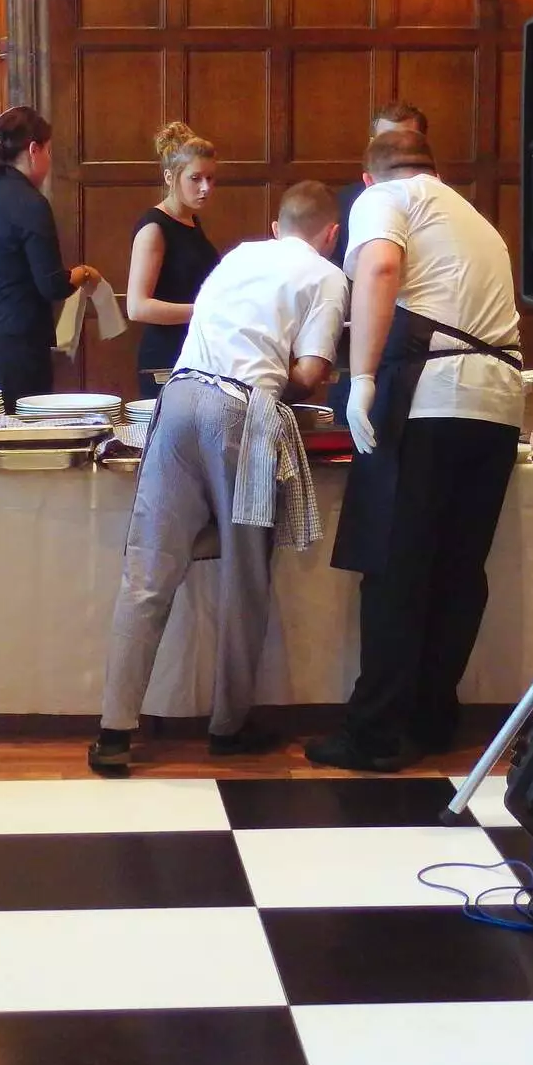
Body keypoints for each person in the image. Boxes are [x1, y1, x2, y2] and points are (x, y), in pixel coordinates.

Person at [90, 182, 347, 774]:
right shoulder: (328, 277)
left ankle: (113, 731)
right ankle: (228, 727)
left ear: (277, 224)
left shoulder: (237, 256)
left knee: (148, 569)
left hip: (176, 401)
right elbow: (307, 375)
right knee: (245, 574)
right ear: (331, 235)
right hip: (243, 418)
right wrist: (285, 364)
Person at [306, 130, 523, 774]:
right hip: (497, 407)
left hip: (430, 401)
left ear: (369, 179)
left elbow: (377, 269)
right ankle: (432, 719)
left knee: (396, 570)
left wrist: (363, 377)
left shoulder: (386, 198)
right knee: (457, 572)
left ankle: (373, 735)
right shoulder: (475, 218)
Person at [0, 106, 100, 409]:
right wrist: (83, 273)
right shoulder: (31, 203)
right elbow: (52, 284)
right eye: (48, 151)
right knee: (19, 442)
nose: (48, 160)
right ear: (34, 149)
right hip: (13, 345)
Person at [328, 103, 431, 418]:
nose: (396, 149)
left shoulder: (442, 203)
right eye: (386, 141)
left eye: (406, 140)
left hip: (421, 352)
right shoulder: (346, 201)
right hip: (359, 344)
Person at [127, 122, 221, 400]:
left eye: (211, 178)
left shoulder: (191, 220)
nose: (206, 187)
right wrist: (204, 311)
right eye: (195, 179)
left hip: (192, 350)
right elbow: (137, 307)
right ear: (170, 177)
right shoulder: (154, 227)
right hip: (165, 357)